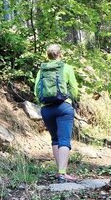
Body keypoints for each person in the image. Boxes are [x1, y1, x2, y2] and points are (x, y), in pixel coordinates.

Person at [33, 43, 79, 181]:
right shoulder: (67, 68)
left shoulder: (42, 70)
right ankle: (63, 173)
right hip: (63, 107)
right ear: (61, 54)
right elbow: (74, 88)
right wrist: (73, 100)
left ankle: (60, 172)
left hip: (46, 109)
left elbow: (36, 90)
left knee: (55, 139)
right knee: (64, 139)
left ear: (47, 55)